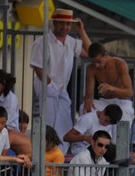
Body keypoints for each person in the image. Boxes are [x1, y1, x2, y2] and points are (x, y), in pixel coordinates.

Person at [30, 10, 90, 141]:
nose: (65, 27)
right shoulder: (42, 42)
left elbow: (91, 53)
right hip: (46, 86)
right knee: (48, 122)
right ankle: (44, 155)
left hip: (61, 89)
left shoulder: (71, 41)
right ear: (55, 23)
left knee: (65, 124)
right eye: (62, 24)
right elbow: (37, 67)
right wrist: (50, 85)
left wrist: (82, 32)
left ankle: (58, 156)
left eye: (68, 24)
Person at [83, 44, 135, 123]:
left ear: (106, 55)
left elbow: (129, 92)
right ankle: (90, 134)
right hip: (104, 102)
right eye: (93, 62)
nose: (96, 65)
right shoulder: (91, 68)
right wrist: (88, 99)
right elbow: (89, 93)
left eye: (98, 61)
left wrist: (113, 88)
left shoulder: (119, 64)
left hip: (122, 103)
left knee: (121, 126)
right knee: (85, 108)